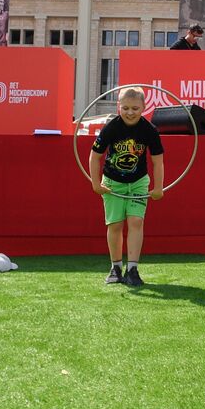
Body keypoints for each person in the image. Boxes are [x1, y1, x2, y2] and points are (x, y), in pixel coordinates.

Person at [88, 87, 165, 286]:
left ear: (144, 108)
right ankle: (115, 267)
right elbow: (94, 157)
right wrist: (96, 183)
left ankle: (132, 269)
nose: (130, 112)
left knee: (136, 222)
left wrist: (158, 188)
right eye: (126, 108)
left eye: (135, 108)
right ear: (118, 107)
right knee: (114, 224)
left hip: (138, 182)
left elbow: (158, 162)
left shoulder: (150, 131)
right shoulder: (111, 128)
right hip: (112, 184)